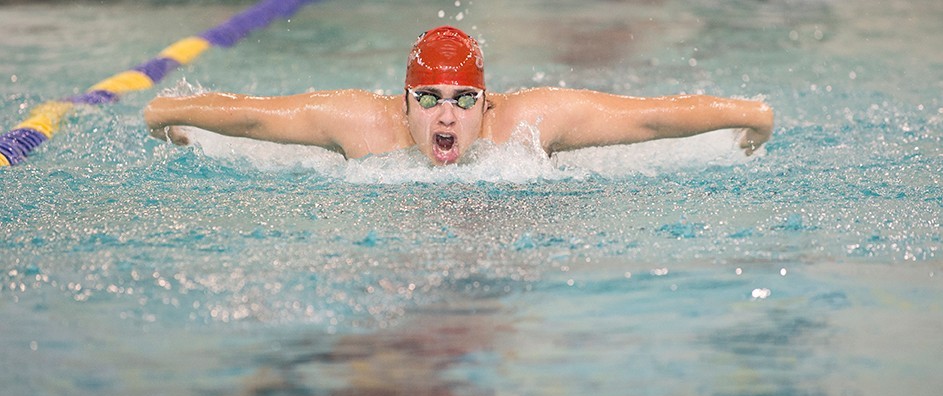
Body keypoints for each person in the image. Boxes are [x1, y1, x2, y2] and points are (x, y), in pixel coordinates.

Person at [144, 26, 773, 166]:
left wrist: (750, 116)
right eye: (430, 98)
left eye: (464, 100)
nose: (446, 113)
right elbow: (255, 117)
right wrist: (168, 111)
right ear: (403, 102)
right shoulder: (365, 125)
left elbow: (649, 119)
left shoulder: (526, 122)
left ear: (487, 102)